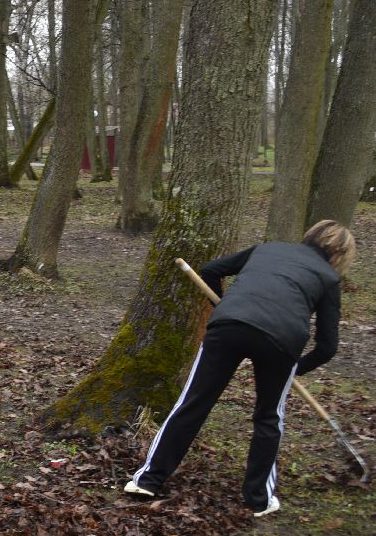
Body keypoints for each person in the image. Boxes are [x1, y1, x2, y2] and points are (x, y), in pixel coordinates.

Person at [124, 220, 355, 517]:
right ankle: (258, 499)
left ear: (308, 236)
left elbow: (210, 270)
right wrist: (293, 369)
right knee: (269, 417)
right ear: (340, 255)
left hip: (228, 325)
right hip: (282, 342)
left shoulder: (267, 249)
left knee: (192, 403)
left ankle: (147, 480)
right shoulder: (328, 278)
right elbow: (327, 347)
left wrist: (223, 305)